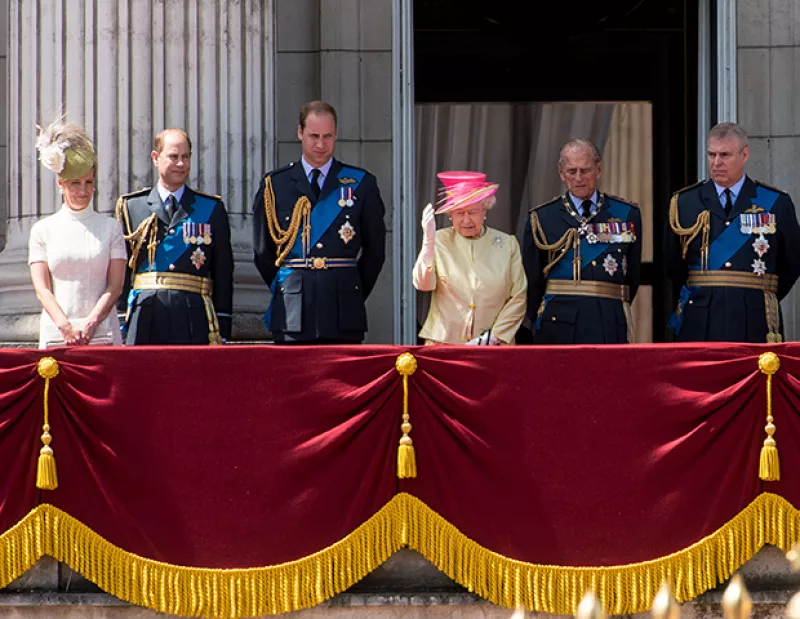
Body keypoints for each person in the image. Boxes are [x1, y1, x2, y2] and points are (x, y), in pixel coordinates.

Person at [252, 100, 386, 344]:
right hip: (292, 310)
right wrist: (287, 288)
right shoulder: (275, 185)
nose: (321, 144)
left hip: (343, 310)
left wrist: (352, 291)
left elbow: (375, 252)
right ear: (300, 132)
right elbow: (263, 252)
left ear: (336, 135)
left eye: (328, 136)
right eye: (314, 136)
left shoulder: (361, 183)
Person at [665, 122, 800, 342]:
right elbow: (673, 265)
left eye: (725, 155)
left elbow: (792, 263)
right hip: (701, 318)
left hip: (755, 318)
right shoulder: (685, 202)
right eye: (711, 155)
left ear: (744, 155)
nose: (716, 162)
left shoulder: (776, 202)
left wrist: (755, 293)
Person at [115, 129, 234, 345]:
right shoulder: (132, 206)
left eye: (185, 157)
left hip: (193, 315)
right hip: (145, 314)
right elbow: (123, 269)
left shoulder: (211, 208)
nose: (181, 163)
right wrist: (121, 318)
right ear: (155, 158)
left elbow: (223, 271)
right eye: (173, 156)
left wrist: (223, 322)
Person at [522, 138, 642, 344]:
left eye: (585, 170)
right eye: (572, 171)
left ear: (599, 169)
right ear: (561, 173)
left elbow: (633, 275)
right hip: (557, 322)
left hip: (608, 320)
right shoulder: (542, 218)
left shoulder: (626, 213)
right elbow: (532, 280)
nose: (579, 178)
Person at [28, 120, 127, 349]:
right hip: (57, 334)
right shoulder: (42, 230)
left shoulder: (111, 227)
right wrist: (65, 326)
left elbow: (115, 286)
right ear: (60, 184)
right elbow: (42, 289)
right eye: (75, 183)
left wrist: (91, 323)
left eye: (88, 182)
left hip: (102, 333)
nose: (83, 190)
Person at [413, 171, 527, 345]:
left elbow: (518, 296)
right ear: (450, 214)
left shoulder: (507, 244)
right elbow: (423, 285)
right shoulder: (438, 241)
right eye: (459, 213)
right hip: (444, 343)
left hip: (494, 346)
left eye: (473, 212)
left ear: (484, 211)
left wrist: (493, 337)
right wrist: (428, 245)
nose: (466, 220)